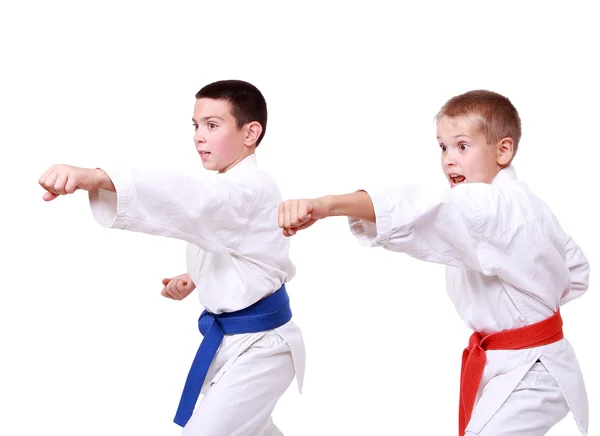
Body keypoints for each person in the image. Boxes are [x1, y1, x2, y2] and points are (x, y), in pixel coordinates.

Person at [278, 90, 589, 435]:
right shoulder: (525, 203)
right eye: (443, 147)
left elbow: (425, 205)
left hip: (531, 369)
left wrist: (328, 205)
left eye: (462, 146)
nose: (449, 160)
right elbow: (576, 272)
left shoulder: (493, 205)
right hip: (519, 363)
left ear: (503, 150)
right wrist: (535, 301)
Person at [39, 79, 305, 436]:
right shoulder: (232, 185)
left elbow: (195, 202)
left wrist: (101, 178)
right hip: (235, 343)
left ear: (250, 133)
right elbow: (244, 248)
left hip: (261, 348)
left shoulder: (251, 186)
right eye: (196, 126)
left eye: (213, 125)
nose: (199, 136)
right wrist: (196, 277)